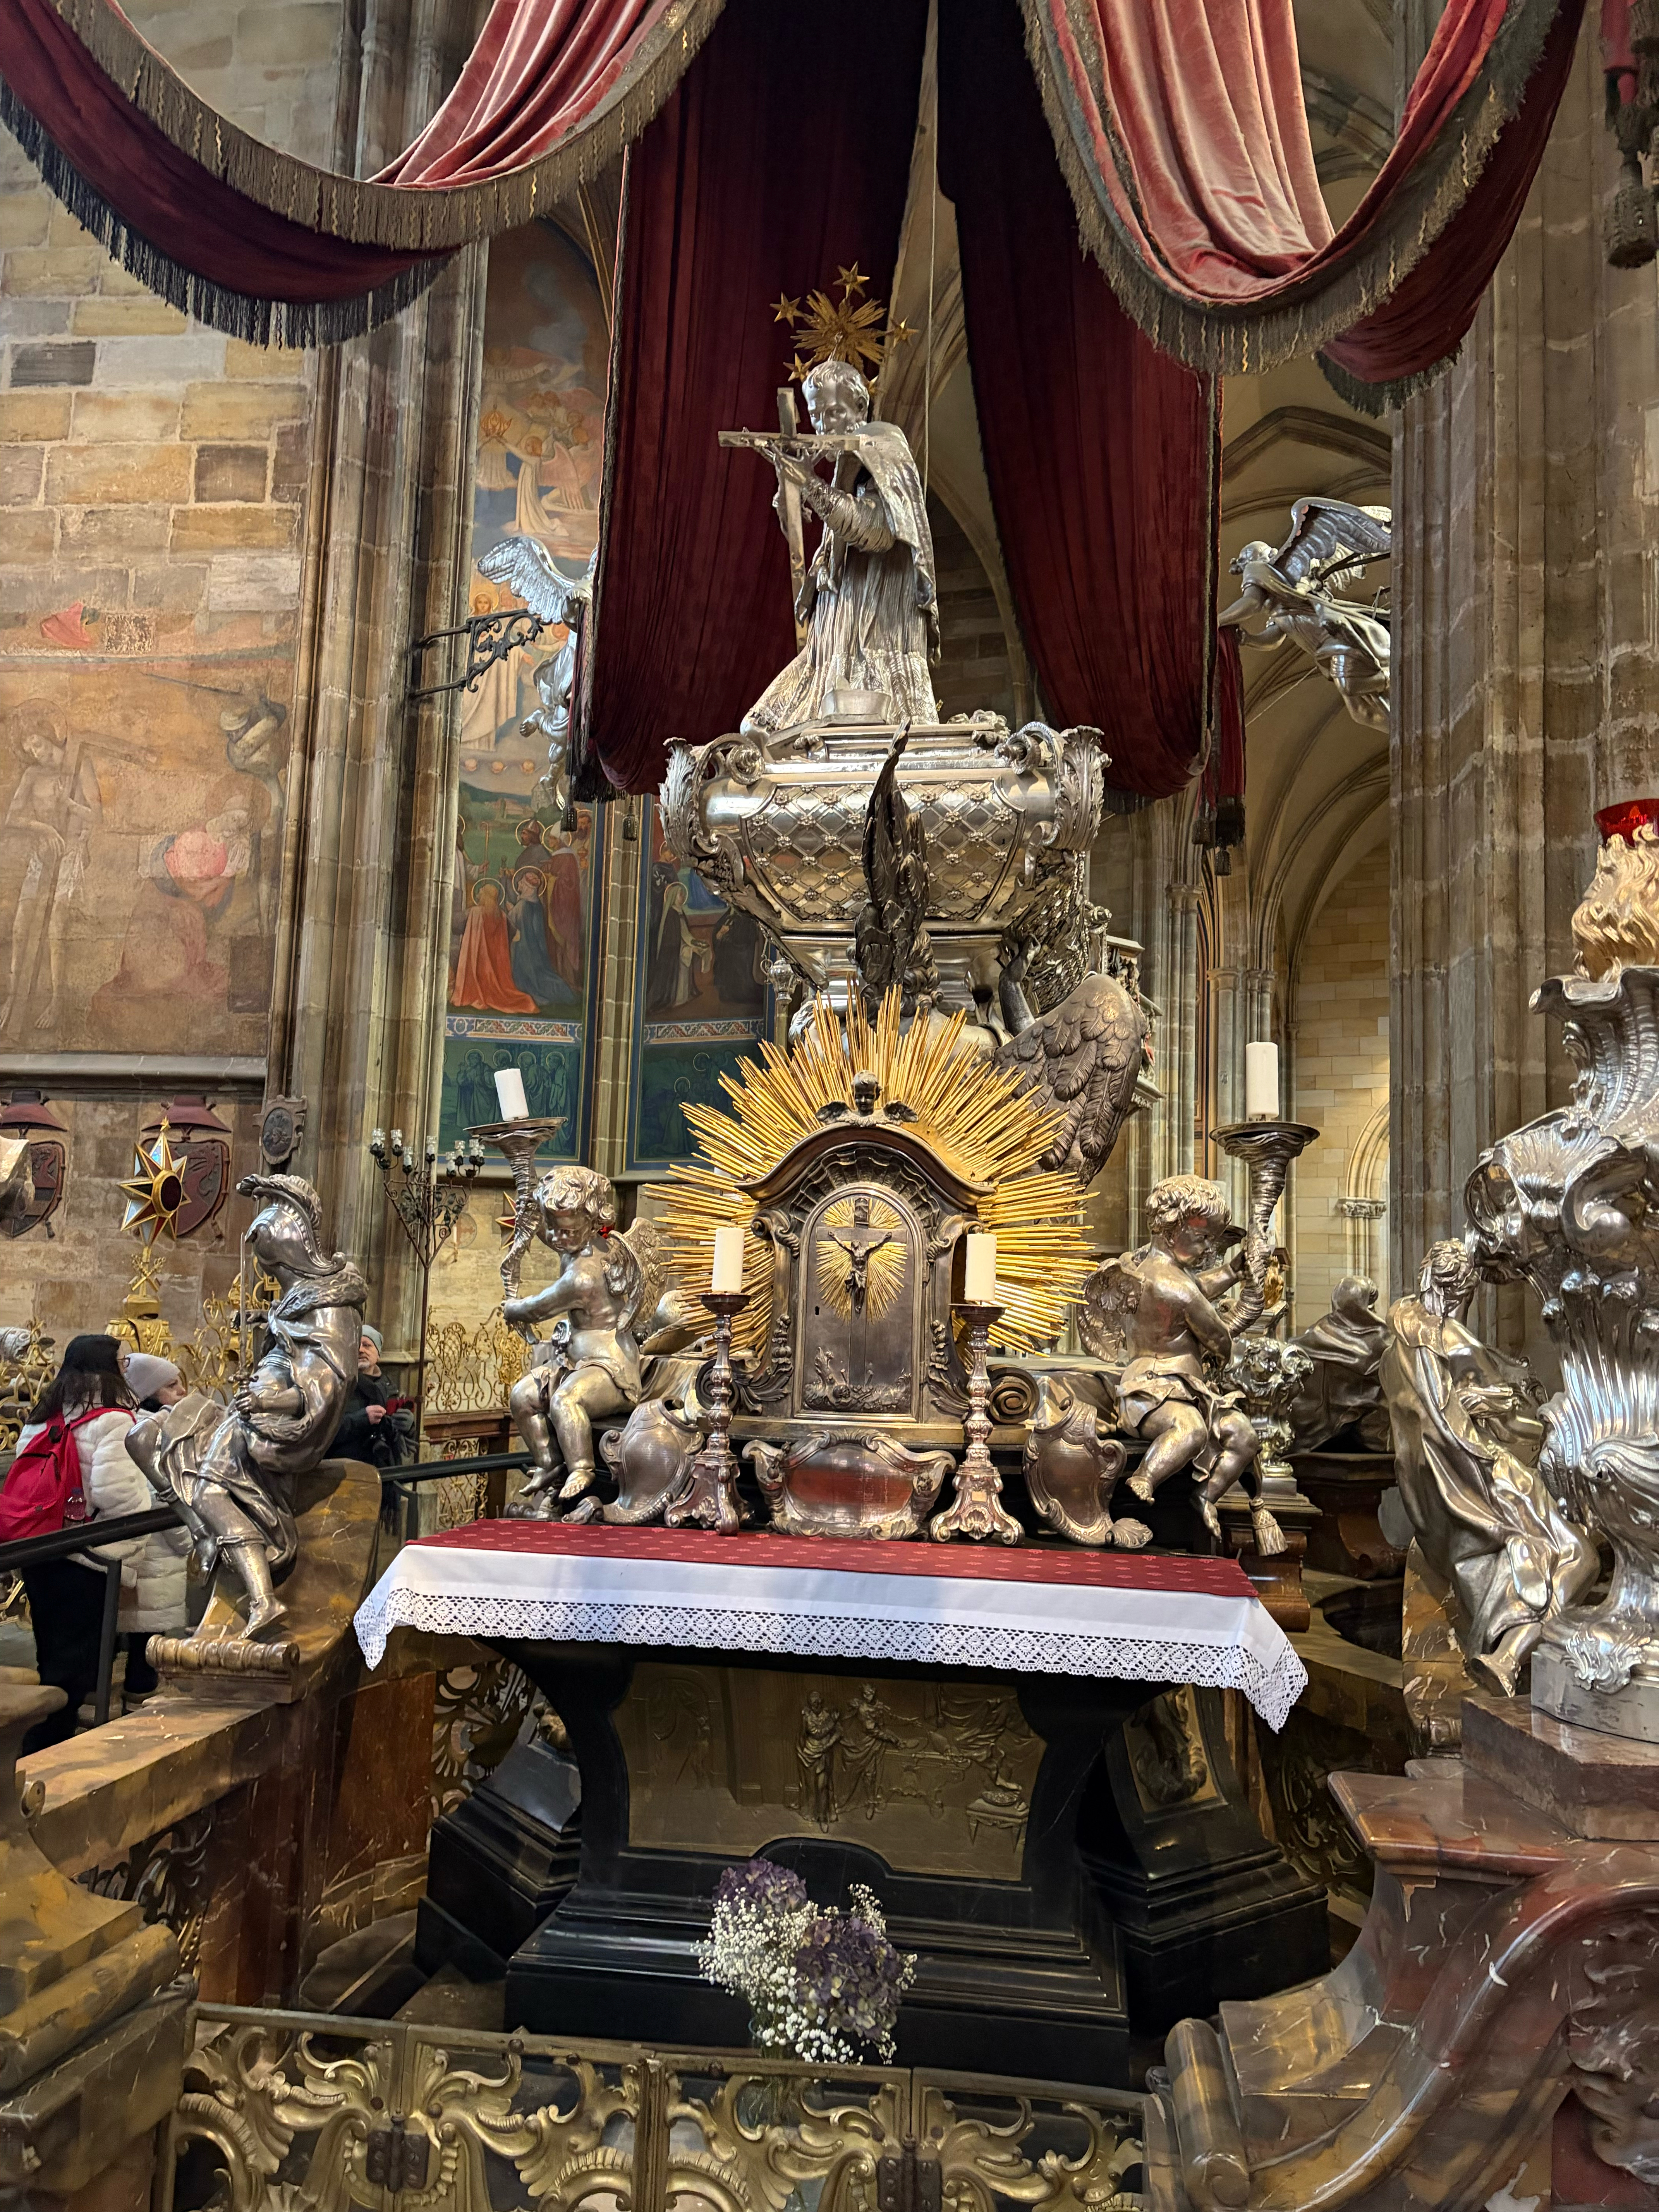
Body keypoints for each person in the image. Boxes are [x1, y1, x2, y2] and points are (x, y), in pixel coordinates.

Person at [10, 1334, 151, 1752]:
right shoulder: (114, 1421)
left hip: (40, 1551)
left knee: (51, 1657)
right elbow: (119, 1499)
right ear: (108, 1368)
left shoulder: (43, 1415)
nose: (127, 1367)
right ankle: (40, 1754)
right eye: (122, 1361)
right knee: (75, 1672)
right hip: (88, 1559)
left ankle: (40, 1744)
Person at [116, 1354, 192, 1700]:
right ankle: (137, 1715)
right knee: (145, 1642)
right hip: (156, 1552)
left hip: (155, 1554)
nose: (182, 1392)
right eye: (171, 1386)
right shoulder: (151, 1431)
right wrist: (188, 1539)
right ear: (149, 1392)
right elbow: (161, 1493)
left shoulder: (155, 1424)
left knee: (143, 1637)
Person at [331, 1326, 411, 1470]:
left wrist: (409, 1427)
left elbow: (403, 1441)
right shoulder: (338, 1386)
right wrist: (362, 1418)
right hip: (349, 1473)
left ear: (378, 1354)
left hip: (386, 1472)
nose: (361, 1350)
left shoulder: (390, 1388)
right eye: (356, 1345)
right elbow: (324, 1433)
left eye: (367, 1345)